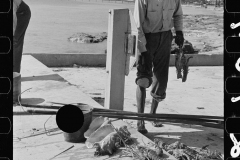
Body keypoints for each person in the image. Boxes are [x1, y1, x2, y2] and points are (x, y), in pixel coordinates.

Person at [133, 0, 184, 134]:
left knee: (161, 81)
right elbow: (137, 25)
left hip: (166, 38)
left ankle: (152, 114)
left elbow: (178, 14)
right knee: (143, 80)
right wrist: (143, 49)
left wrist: (179, 32)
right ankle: (140, 120)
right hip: (146, 38)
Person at [13, 0, 31, 73]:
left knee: (14, 43)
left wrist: (13, 35)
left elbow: (12, 15)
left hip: (22, 14)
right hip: (16, 12)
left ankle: (15, 74)